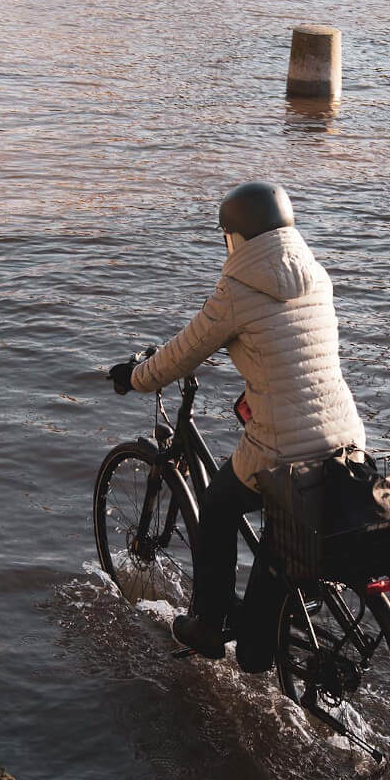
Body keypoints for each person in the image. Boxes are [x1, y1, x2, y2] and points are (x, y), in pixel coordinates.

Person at [108, 180, 365, 665]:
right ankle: (272, 615)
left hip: (281, 450)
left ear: (238, 237)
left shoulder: (237, 291)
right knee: (282, 535)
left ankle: (207, 624)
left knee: (219, 505)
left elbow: (183, 353)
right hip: (345, 436)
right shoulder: (318, 276)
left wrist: (136, 378)